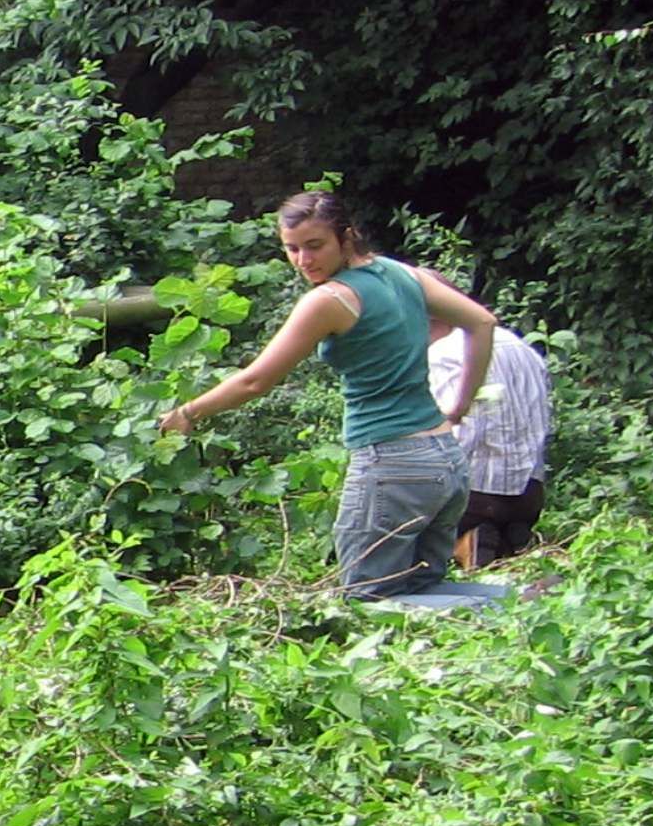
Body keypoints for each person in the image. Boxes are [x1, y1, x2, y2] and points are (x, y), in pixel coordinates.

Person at [160, 191, 497, 599]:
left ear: (347, 236)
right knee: (424, 591)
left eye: (315, 246)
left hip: (391, 464)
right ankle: (516, 608)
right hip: (445, 456)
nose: (304, 260)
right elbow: (481, 322)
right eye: (292, 249)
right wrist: (459, 407)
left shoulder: (330, 300)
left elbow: (256, 381)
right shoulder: (403, 274)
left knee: (365, 601)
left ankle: (519, 606)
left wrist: (189, 412)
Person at [429, 315, 552, 568]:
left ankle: (468, 540)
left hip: (477, 495)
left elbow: (460, 428)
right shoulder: (523, 349)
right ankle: (506, 539)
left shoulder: (443, 352)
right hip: (530, 494)